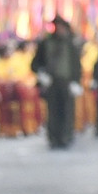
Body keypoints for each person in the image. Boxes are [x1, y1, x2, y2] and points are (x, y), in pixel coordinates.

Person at [31, 16, 83, 149]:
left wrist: (76, 81)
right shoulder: (46, 43)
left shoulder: (71, 44)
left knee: (67, 110)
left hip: (66, 82)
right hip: (51, 83)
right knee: (53, 111)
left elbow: (76, 65)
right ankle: (54, 138)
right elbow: (35, 64)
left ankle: (66, 136)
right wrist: (42, 75)